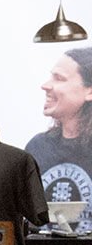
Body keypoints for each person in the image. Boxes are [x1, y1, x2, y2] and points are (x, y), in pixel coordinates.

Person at [25, 48, 92, 208]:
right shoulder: (37, 147)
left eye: (59, 79)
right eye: (51, 77)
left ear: (89, 92)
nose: (46, 86)